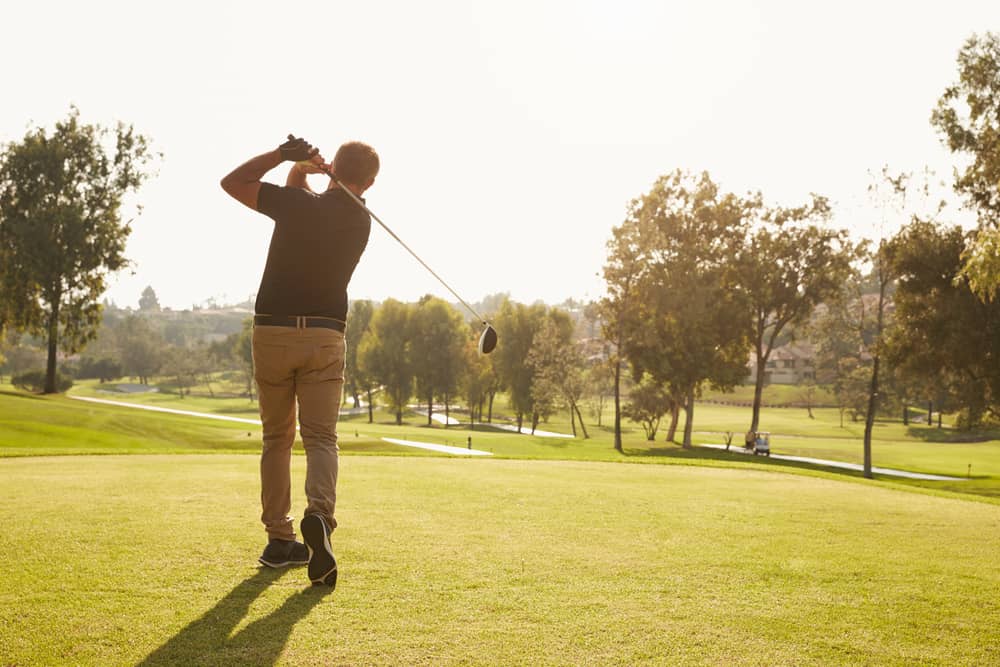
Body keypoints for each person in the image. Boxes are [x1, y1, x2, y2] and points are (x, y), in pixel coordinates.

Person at [220, 135, 379, 587]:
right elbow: (307, 201)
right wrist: (308, 172)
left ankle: (278, 539)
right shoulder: (360, 219)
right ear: (369, 182)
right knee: (321, 438)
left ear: (333, 170)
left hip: (272, 330)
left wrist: (285, 158)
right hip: (325, 336)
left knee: (276, 437)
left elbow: (234, 182)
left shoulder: (295, 205)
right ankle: (320, 519)